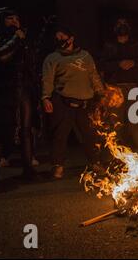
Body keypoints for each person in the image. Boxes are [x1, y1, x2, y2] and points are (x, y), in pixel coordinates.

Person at [42, 26, 106, 179]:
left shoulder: (85, 56)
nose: (60, 40)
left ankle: (95, 162)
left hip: (84, 102)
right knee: (60, 135)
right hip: (63, 102)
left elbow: (94, 75)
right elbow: (47, 80)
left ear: (71, 38)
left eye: (62, 37)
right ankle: (57, 166)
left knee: (89, 135)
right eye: (57, 37)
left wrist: (101, 94)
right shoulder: (52, 58)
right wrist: (45, 98)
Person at [0, 8, 39, 181]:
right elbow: (1, 57)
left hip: (23, 87)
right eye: (10, 18)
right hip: (3, 89)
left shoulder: (24, 40)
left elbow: (30, 62)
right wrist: (16, 38)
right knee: (1, 130)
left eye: (17, 18)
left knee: (26, 129)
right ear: (2, 21)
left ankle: (28, 170)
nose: (15, 21)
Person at [100, 18, 138, 154]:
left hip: (134, 87)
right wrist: (118, 64)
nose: (122, 28)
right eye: (119, 25)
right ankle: (116, 153)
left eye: (124, 25)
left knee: (136, 122)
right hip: (115, 89)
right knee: (115, 122)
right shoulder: (109, 46)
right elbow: (101, 65)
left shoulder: (137, 46)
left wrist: (134, 63)